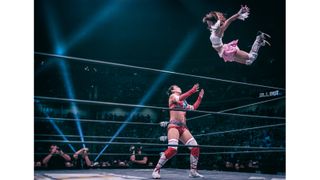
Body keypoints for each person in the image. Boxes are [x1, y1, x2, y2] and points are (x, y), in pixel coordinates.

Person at [152, 84, 204, 179]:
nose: (179, 87)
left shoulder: (183, 101)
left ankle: (193, 171)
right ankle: (156, 169)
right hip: (174, 126)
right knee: (173, 149)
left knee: (195, 147)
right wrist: (192, 90)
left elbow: (193, 107)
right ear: (172, 90)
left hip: (184, 127)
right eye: (176, 87)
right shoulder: (173, 97)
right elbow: (179, 98)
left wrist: (200, 98)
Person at [202, 5, 271, 65]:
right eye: (207, 23)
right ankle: (260, 42)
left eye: (209, 22)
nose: (208, 24)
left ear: (214, 22)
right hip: (223, 54)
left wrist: (239, 13)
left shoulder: (219, 30)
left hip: (227, 51)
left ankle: (259, 39)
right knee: (249, 62)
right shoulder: (214, 30)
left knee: (251, 57)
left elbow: (229, 20)